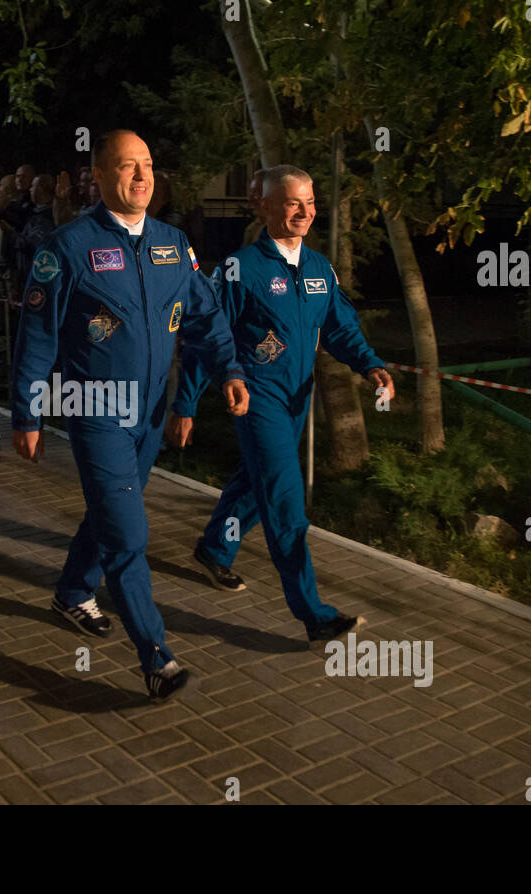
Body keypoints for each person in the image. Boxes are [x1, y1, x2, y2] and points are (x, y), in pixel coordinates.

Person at [11, 129, 249, 701]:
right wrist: (27, 412)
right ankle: (156, 657)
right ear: (99, 176)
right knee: (129, 533)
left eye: (146, 164)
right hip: (94, 408)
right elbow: (36, 337)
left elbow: (205, 316)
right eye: (126, 166)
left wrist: (230, 370)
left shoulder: (171, 243)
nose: (141, 175)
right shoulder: (67, 247)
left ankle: (73, 590)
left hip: (149, 411)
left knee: (112, 510)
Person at [169, 165, 395, 641]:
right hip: (257, 400)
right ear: (265, 206)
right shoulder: (239, 270)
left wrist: (370, 365)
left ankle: (215, 548)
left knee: (255, 484)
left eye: (310, 202)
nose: (305, 212)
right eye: (293, 203)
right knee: (287, 504)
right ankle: (314, 613)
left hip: (297, 399)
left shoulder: (319, 269)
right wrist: (185, 404)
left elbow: (339, 329)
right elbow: (205, 338)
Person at [13, 174, 55, 291]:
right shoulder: (34, 213)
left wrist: (13, 235)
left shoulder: (45, 217)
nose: (30, 190)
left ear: (40, 189)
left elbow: (35, 243)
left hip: (36, 279)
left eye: (33, 186)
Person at [243, 168, 266, 247]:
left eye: (257, 192)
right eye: (251, 192)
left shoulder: (289, 233)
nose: (251, 198)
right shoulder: (252, 228)